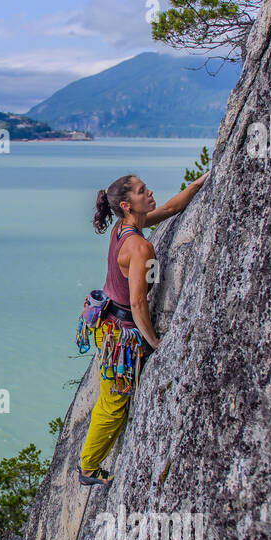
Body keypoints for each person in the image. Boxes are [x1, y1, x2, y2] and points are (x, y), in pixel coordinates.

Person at [77, 172, 207, 486]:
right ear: (126, 204)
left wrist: (198, 184)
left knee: (109, 397)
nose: (149, 192)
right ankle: (88, 468)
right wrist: (155, 343)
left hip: (103, 321)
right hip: (119, 335)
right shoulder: (139, 248)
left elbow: (169, 210)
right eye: (141, 191)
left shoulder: (124, 229)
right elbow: (138, 303)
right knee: (114, 403)